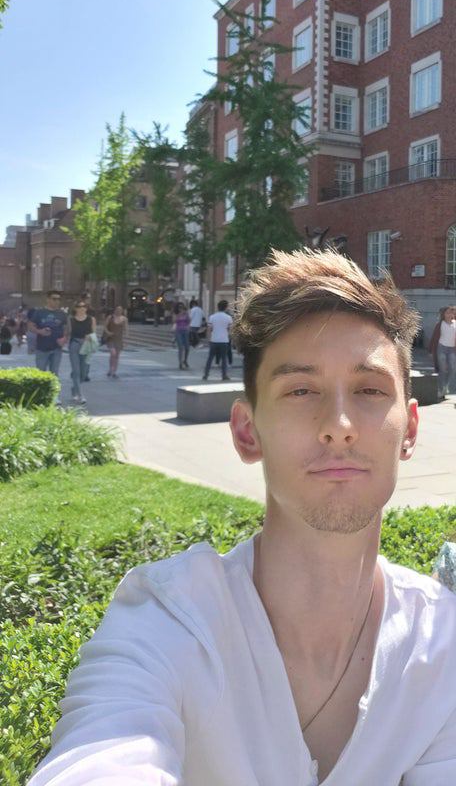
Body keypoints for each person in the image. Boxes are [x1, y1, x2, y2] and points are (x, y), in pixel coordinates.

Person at [27, 249, 456, 786]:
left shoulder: (441, 639)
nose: (339, 424)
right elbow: (99, 753)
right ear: (247, 431)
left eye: (369, 390)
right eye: (301, 390)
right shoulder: (168, 620)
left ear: (410, 430)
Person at [28, 291, 68, 403]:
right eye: (54, 299)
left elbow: (66, 328)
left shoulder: (62, 314)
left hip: (56, 348)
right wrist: (39, 331)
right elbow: (30, 325)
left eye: (58, 299)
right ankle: (41, 396)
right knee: (41, 373)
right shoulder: (39, 312)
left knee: (54, 373)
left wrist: (64, 339)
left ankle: (54, 396)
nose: (57, 301)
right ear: (48, 299)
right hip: (42, 348)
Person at [68, 300, 96, 404]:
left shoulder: (91, 319)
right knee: (76, 371)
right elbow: (68, 333)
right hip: (75, 344)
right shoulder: (71, 319)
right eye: (79, 306)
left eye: (84, 306)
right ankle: (80, 395)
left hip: (86, 345)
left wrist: (91, 340)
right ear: (75, 308)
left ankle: (74, 389)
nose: (82, 308)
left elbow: (93, 333)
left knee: (84, 372)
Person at [428, 305, 456, 400]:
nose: (449, 315)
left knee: (452, 368)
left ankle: (445, 386)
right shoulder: (440, 324)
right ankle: (441, 390)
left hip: (452, 349)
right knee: (442, 369)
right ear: (443, 314)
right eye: (447, 313)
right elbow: (434, 338)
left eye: (451, 313)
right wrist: (430, 351)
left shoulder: (455, 324)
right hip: (441, 348)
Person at [202, 299, 233, 381]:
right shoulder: (228, 318)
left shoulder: (212, 317)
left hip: (214, 340)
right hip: (224, 340)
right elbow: (230, 330)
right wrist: (230, 338)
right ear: (226, 307)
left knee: (210, 358)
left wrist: (209, 339)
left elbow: (209, 329)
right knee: (224, 359)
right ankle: (224, 375)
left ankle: (206, 374)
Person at [104, 305, 128, 379]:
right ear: (115, 310)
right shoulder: (110, 317)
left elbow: (126, 330)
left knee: (117, 356)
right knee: (113, 353)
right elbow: (105, 327)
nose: (119, 311)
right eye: (117, 309)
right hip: (111, 338)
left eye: (120, 309)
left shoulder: (124, 319)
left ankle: (114, 372)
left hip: (119, 339)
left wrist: (125, 340)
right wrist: (108, 332)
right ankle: (110, 369)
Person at [80, 290, 96, 382]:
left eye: (89, 298)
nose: (89, 300)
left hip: (89, 334)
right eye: (87, 298)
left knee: (88, 356)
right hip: (79, 335)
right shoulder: (77, 308)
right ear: (83, 299)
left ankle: (85, 374)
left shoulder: (91, 310)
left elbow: (93, 323)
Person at [173, 302, 190, 369]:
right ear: (177, 308)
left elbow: (188, 321)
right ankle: (180, 363)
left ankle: (185, 360)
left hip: (185, 331)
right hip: (178, 331)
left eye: (182, 307)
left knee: (187, 347)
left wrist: (187, 315)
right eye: (179, 307)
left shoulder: (186, 313)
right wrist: (180, 314)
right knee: (180, 347)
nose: (181, 308)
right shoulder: (176, 314)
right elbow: (174, 321)